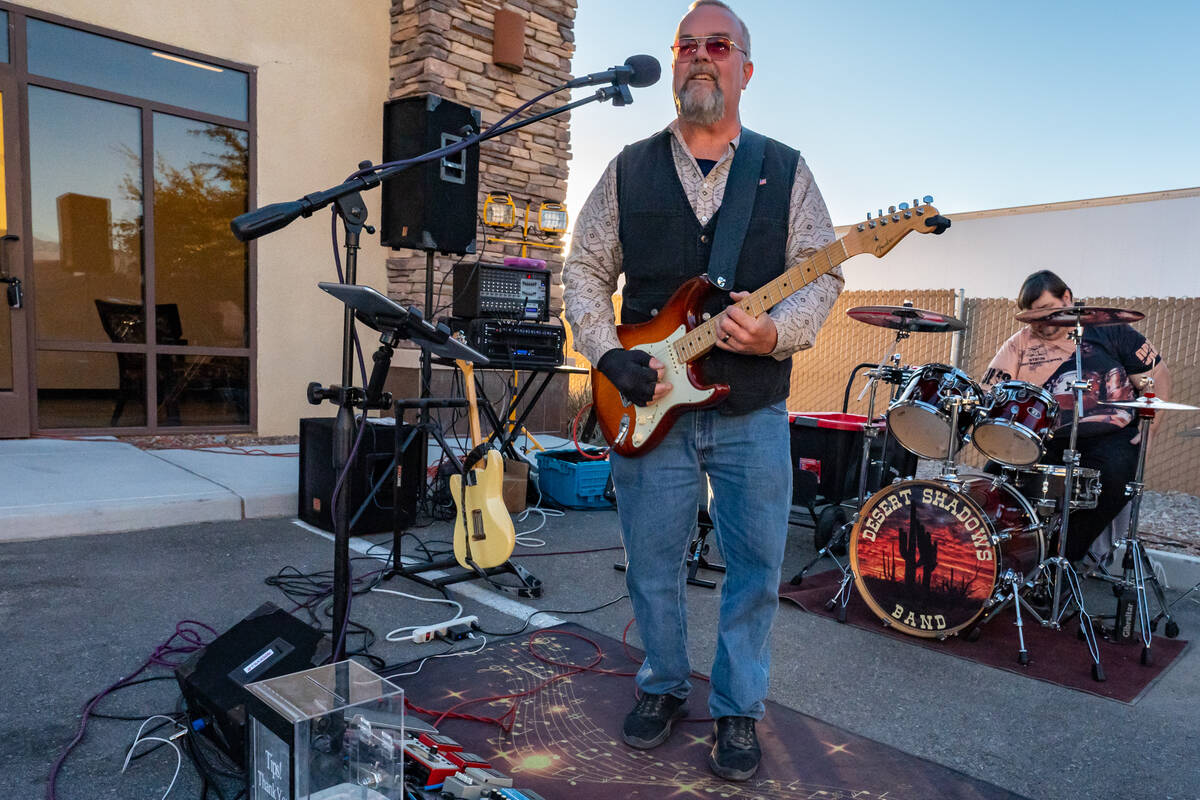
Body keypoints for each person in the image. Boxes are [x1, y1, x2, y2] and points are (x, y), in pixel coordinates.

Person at [562, 0, 843, 782]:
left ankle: (736, 709)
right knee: (651, 565)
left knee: (754, 569)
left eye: (718, 44)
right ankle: (660, 684)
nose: (699, 55)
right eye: (686, 44)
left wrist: (776, 331)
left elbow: (824, 273)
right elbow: (583, 269)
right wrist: (607, 352)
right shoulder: (628, 166)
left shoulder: (786, 169)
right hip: (646, 403)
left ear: (744, 70)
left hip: (751, 406)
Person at [981, 269, 1171, 565]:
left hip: (1110, 436)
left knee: (1113, 479)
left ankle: (1059, 564)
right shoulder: (1019, 343)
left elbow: (1157, 373)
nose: (1041, 323)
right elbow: (992, 389)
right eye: (1033, 316)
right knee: (993, 478)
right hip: (1046, 435)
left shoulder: (1112, 330)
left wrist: (1153, 424)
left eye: (1046, 310)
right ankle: (996, 559)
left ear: (1066, 297)